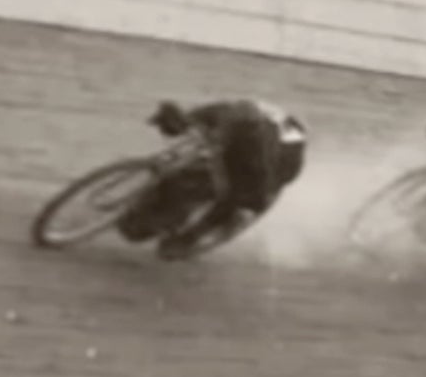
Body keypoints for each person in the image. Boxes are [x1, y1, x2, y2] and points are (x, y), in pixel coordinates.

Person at [118, 97, 307, 259]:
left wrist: (246, 202)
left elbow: (257, 193)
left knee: (233, 197)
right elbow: (183, 123)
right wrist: (170, 122)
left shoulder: (266, 159)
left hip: (277, 163)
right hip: (252, 127)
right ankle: (150, 208)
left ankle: (191, 236)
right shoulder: (223, 113)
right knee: (194, 170)